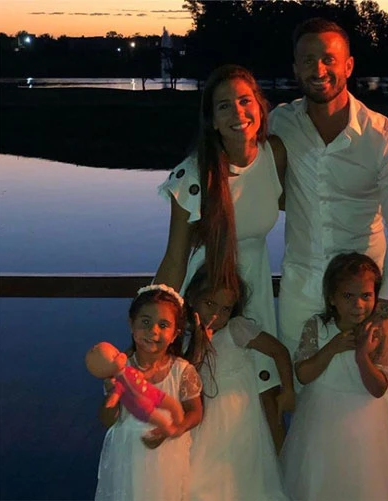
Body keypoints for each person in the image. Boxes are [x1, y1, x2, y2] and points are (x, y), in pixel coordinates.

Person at [269, 18, 388, 404]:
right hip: (301, 291)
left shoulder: (386, 138)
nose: (318, 70)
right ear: (295, 68)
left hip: (363, 299)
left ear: (348, 66)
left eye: (328, 59)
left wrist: (385, 302)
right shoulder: (279, 123)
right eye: (307, 60)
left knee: (371, 403)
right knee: (303, 403)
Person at [154, 64, 287, 448]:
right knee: (208, 401)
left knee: (265, 398)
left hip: (255, 286)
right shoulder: (194, 174)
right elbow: (175, 258)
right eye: (224, 106)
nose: (238, 113)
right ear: (212, 120)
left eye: (245, 101)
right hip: (208, 294)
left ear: (260, 107)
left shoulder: (275, 154)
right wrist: (156, 323)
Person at [281, 252, 388, 500]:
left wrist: (362, 356)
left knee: (362, 484)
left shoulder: (379, 332)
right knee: (321, 481)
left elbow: (378, 388)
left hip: (364, 423)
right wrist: (331, 348)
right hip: (320, 421)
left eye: (366, 296)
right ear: (332, 298)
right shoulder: (317, 326)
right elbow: (303, 375)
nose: (358, 304)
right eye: (348, 296)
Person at [184, 266, 294, 500]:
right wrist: (199, 344)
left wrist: (288, 390)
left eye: (225, 309)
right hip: (205, 420)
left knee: (242, 477)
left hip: (239, 417)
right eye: (210, 304)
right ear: (193, 298)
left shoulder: (236, 329)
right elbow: (187, 375)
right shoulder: (185, 337)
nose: (216, 315)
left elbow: (279, 351)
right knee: (201, 479)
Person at [94, 284, 203, 501]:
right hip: (127, 456)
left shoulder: (181, 371)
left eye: (163, 325)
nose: (153, 331)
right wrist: (112, 397)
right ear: (131, 324)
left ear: (175, 334)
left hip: (167, 457)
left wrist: (175, 429)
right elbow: (107, 420)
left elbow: (195, 411)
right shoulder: (120, 370)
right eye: (145, 322)